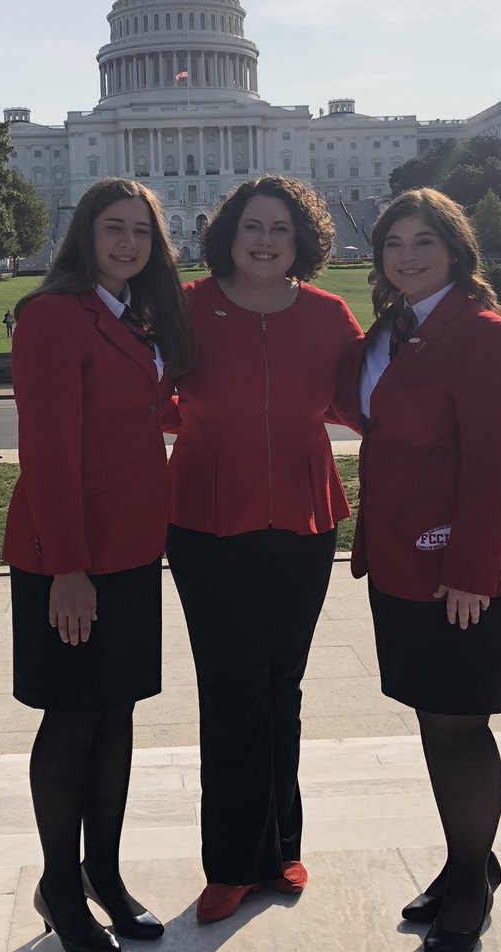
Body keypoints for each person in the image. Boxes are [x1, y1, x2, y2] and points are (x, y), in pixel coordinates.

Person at [164, 176, 364, 923]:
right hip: (208, 521)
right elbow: (150, 393)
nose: (266, 240)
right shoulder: (187, 307)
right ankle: (230, 863)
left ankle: (279, 848)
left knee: (282, 686)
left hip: (305, 520)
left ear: (302, 239)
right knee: (230, 688)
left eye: (281, 229)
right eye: (254, 226)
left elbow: (359, 402)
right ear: (230, 232)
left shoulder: (328, 314)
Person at [2, 178, 193, 952]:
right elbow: (48, 453)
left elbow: (153, 411)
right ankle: (59, 882)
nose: (128, 243)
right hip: (69, 552)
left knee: (118, 713)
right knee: (73, 716)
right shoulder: (53, 317)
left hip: (134, 548)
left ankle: (103, 874)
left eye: (141, 232)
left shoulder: (136, 318)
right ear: (83, 236)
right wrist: (68, 570)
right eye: (113, 229)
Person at [353, 188, 501, 952]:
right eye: (394, 243)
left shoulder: (486, 335)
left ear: (456, 249)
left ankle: (471, 881)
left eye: (422, 241)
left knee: (461, 728)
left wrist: (472, 572)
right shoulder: (394, 331)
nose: (406, 255)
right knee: (436, 724)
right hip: (405, 559)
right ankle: (469, 859)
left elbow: (499, 469)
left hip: (471, 568)